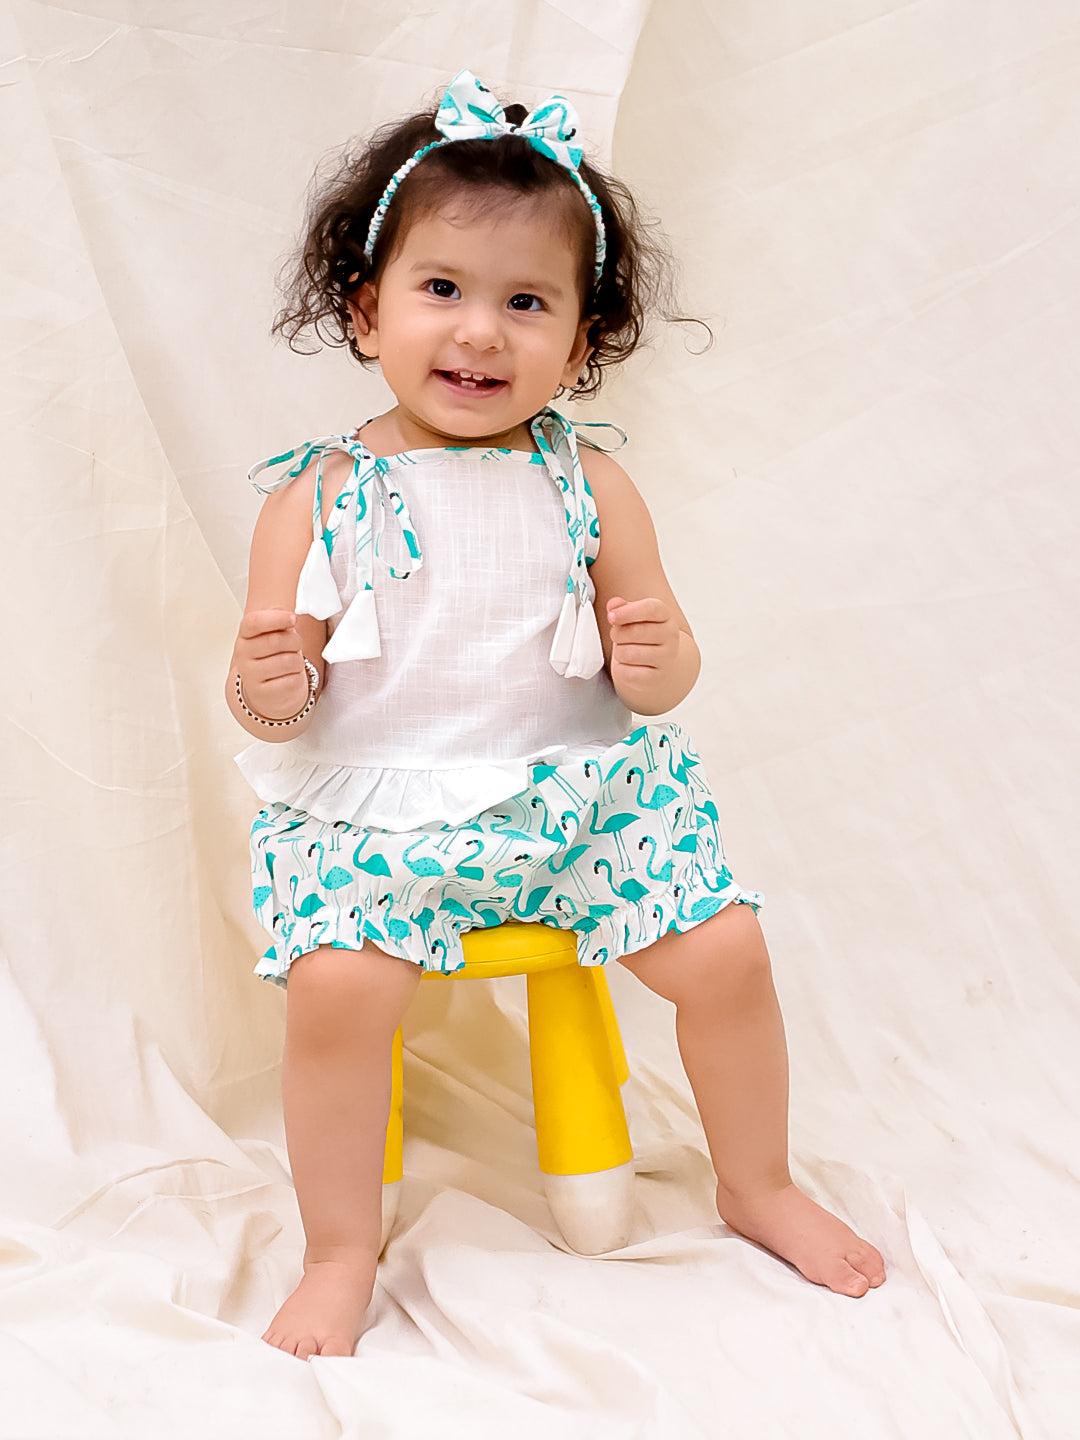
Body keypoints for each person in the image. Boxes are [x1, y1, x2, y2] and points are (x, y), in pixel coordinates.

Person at [227, 69, 885, 1360]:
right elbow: (270, 704)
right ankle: (340, 1246)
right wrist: (268, 679)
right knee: (338, 993)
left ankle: (758, 1182)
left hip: (577, 808)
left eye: (527, 303)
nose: (481, 334)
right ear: (366, 310)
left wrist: (658, 655)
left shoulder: (591, 484)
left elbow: (659, 675)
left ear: (581, 344)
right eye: (442, 289)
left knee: (729, 952)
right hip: (386, 826)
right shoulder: (321, 495)